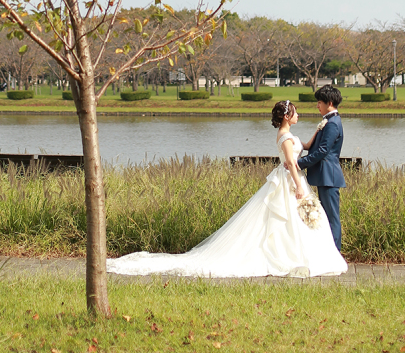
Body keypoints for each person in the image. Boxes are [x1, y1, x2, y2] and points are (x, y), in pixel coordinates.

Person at [107, 100, 347, 279]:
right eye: (294, 112)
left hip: (292, 178)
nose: (298, 114)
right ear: (286, 116)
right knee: (284, 219)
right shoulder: (284, 138)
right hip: (289, 180)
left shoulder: (290, 135)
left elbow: (304, 146)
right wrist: (297, 186)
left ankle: (299, 253)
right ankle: (288, 255)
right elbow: (292, 165)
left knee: (295, 221)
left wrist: (318, 129)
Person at [297, 85, 345, 251]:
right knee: (326, 216)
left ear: (329, 103)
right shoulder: (330, 121)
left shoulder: (332, 123)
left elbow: (323, 151)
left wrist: (299, 163)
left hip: (329, 176)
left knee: (332, 217)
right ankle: (329, 252)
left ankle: (335, 253)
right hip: (324, 175)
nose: (317, 105)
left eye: (319, 102)